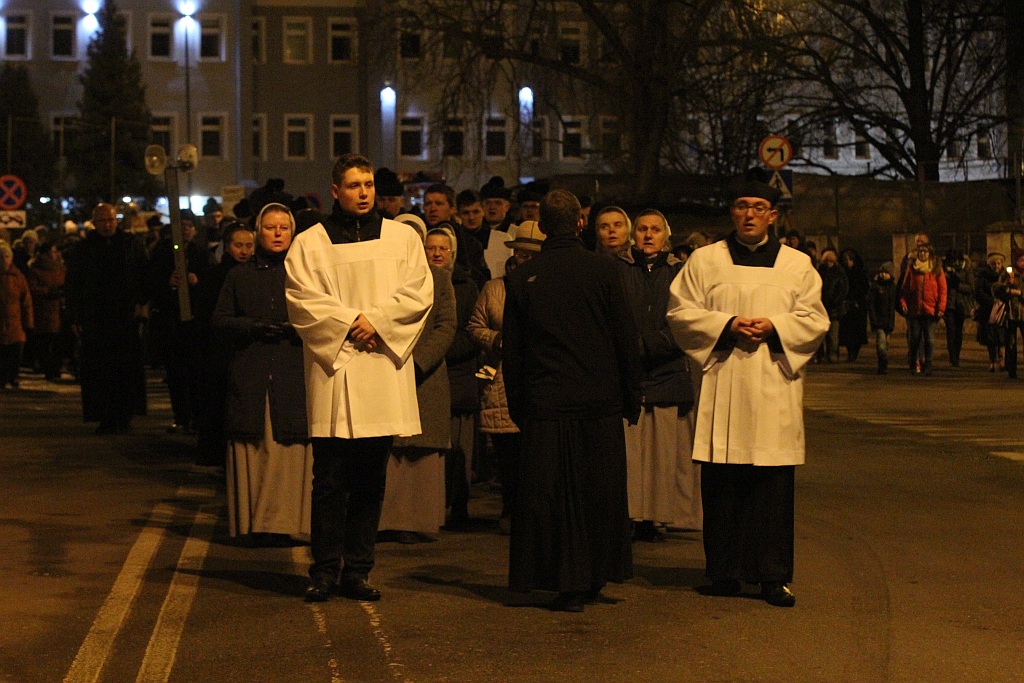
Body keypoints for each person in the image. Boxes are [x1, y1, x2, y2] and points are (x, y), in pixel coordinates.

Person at [666, 175, 829, 608]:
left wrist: (776, 326)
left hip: (774, 383)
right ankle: (724, 572)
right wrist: (726, 325)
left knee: (771, 487)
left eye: (759, 207)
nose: (750, 214)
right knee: (723, 482)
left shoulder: (797, 265)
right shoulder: (704, 260)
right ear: (732, 212)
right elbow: (680, 312)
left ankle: (773, 576)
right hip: (726, 381)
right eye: (742, 206)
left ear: (773, 216)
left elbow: (814, 320)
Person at [285, 153, 433, 603]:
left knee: (371, 478)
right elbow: (300, 296)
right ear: (336, 191)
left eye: (368, 184)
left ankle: (359, 571)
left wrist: (379, 322)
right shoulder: (310, 243)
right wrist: (352, 322)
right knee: (329, 478)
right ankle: (325, 571)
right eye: (354, 185)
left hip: (381, 367)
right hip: (336, 369)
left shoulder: (402, 238)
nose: (364, 192)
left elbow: (418, 292)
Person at [503, 189, 641, 613]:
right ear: (581, 223)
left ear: (541, 225)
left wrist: (518, 406)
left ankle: (563, 581)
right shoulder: (604, 271)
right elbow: (625, 338)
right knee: (597, 491)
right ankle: (595, 574)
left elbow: (515, 350)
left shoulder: (525, 277)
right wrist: (631, 396)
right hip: (598, 400)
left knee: (553, 497)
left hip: (547, 402)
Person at [213, 203, 312, 546]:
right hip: (252, 372)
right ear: (258, 232)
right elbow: (220, 321)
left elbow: (324, 319)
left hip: (291, 372)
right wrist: (253, 327)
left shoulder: (307, 274)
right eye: (270, 227)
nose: (278, 233)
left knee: (289, 446)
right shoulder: (239, 276)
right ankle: (254, 523)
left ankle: (287, 522)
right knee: (253, 445)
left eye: (284, 227)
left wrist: (294, 329)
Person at [615, 209, 700, 542]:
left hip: (667, 373)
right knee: (631, 454)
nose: (648, 236)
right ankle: (632, 515)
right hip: (630, 377)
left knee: (663, 455)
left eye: (655, 230)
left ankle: (660, 516)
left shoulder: (682, 274)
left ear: (667, 236)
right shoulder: (618, 271)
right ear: (633, 235)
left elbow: (686, 323)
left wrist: (643, 345)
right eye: (642, 229)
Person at [378, 230, 457, 543]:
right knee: (390, 449)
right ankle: (386, 520)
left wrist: (418, 362)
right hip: (388, 368)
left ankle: (418, 521)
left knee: (421, 450)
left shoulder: (439, 279)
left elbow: (446, 324)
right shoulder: (385, 276)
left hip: (426, 374)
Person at [467, 221, 545, 535]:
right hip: (500, 379)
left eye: (531, 253)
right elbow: (474, 326)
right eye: (521, 253)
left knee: (534, 457)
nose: (525, 259)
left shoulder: (548, 288)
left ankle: (534, 514)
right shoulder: (495, 288)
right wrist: (496, 339)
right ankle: (511, 509)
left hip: (536, 379)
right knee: (508, 458)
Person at [65, 203, 149, 434]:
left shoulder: (131, 244)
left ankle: (125, 414)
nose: (107, 225)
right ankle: (105, 416)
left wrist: (141, 303)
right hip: (96, 319)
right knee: (100, 370)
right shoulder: (83, 249)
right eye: (102, 221)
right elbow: (73, 284)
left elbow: (143, 275)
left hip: (125, 318)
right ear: (95, 222)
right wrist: (75, 315)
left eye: (111, 220)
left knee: (125, 368)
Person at [421, 225, 481, 527]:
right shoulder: (417, 284)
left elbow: (471, 333)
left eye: (443, 248)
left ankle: (458, 506)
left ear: (453, 253)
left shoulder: (467, 288)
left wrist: (440, 349)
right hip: (428, 376)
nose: (437, 253)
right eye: (431, 248)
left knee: (459, 450)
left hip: (458, 379)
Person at [194, 222, 256, 467]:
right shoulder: (216, 276)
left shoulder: (258, 274)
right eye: (238, 245)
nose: (244, 251)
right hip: (221, 351)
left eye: (248, 245)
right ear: (227, 246)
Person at [146, 215, 210, 433]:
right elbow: (151, 283)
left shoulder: (201, 253)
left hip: (195, 321)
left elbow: (211, 280)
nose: (186, 230)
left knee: (195, 372)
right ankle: (181, 415)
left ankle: (196, 415)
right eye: (182, 226)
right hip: (171, 320)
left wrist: (197, 280)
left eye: (190, 226)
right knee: (176, 372)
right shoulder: (163, 252)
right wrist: (168, 282)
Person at [423, 183, 490, 288]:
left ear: (453, 209)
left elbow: (481, 279)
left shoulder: (469, 243)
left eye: (439, 203)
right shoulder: (419, 238)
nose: (433, 208)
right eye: (428, 204)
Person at [899, 242, 947, 376]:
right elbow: (905, 289)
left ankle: (928, 363)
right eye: (920, 251)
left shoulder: (936, 269)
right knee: (914, 338)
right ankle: (913, 363)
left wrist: (941, 307)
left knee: (929, 339)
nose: (922, 254)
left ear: (929, 254)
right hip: (915, 310)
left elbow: (943, 290)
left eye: (925, 251)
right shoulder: (912, 269)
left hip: (931, 310)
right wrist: (904, 303)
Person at [27, 239, 67, 381]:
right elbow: (33, 289)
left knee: (58, 342)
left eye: (56, 251)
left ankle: (55, 368)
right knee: (45, 341)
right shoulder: (37, 269)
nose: (55, 254)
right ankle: (48, 369)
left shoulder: (60, 268)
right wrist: (50, 291)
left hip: (59, 309)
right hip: (45, 310)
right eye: (53, 251)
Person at [458, 188, 513, 281]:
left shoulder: (502, 240)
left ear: (483, 211)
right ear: (458, 214)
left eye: (476, 212)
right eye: (466, 213)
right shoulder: (455, 241)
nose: (471, 217)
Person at [0, 241, 32, 389]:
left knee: (15, 352)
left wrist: (29, 323)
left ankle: (12, 376)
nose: (4, 259)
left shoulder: (17, 276)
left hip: (15, 322)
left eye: (6, 256)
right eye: (1, 256)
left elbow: (26, 301)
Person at [993, 251, 1024, 379]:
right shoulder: (1008, 273)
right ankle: (1012, 370)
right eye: (1021, 259)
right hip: (1011, 313)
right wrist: (1007, 288)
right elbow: (996, 289)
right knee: (1010, 343)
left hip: (1023, 313)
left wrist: (1020, 293)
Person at [943, 249, 975, 368]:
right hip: (949, 304)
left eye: (956, 261)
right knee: (951, 331)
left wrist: (958, 285)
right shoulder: (944, 269)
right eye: (952, 261)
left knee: (958, 332)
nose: (954, 263)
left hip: (961, 304)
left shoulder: (966, 269)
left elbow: (971, 287)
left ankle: (957, 353)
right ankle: (953, 356)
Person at [816, 248, 848, 363]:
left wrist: (836, 301)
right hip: (821, 307)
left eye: (830, 261)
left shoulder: (839, 272)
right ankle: (821, 355)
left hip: (834, 308)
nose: (828, 263)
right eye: (826, 261)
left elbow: (843, 289)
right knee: (821, 334)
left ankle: (833, 354)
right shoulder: (820, 272)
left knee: (833, 335)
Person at [976, 252, 1006, 372]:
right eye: (994, 264)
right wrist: (991, 302)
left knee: (1002, 336)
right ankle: (993, 360)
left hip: (1002, 310)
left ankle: (1002, 359)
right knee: (990, 338)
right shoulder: (983, 275)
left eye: (998, 263)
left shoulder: (1006, 275)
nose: (997, 266)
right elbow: (978, 291)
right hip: (987, 310)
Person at [867, 262, 898, 374]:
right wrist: (873, 320)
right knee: (881, 343)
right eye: (882, 272)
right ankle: (882, 363)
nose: (883, 275)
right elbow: (871, 304)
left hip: (889, 321)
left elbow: (896, 303)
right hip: (879, 321)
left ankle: (883, 361)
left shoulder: (892, 287)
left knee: (886, 344)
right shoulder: (876, 287)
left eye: (886, 272)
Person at [838, 248, 869, 362]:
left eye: (850, 259)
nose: (848, 262)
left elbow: (864, 287)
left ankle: (854, 352)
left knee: (857, 331)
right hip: (847, 305)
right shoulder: (842, 273)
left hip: (858, 305)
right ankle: (850, 352)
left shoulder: (860, 272)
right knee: (847, 332)